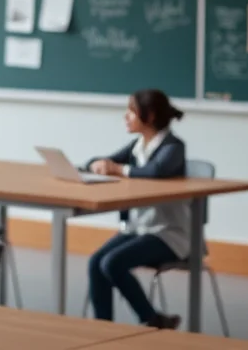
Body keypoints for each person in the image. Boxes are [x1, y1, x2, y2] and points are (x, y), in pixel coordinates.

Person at [85, 89, 188, 329]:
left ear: (149, 116)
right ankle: (103, 328)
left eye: (131, 111)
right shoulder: (138, 145)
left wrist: (118, 169)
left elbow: (156, 171)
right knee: (95, 262)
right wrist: (95, 164)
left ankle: (152, 318)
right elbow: (107, 160)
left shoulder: (173, 146)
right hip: (139, 228)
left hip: (169, 234)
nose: (125, 116)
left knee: (112, 263)